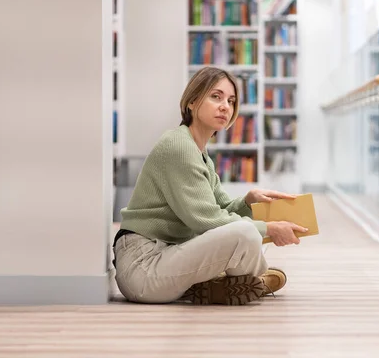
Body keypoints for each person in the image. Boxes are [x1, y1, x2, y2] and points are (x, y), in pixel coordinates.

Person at [113, 67, 308, 305]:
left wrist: (248, 201)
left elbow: (221, 206)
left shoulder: (199, 152)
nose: (225, 106)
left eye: (231, 101)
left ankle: (222, 283)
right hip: (143, 268)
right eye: (216, 97)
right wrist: (268, 228)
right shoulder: (180, 147)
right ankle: (250, 280)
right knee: (247, 234)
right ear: (192, 101)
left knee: (248, 236)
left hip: (166, 255)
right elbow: (205, 219)